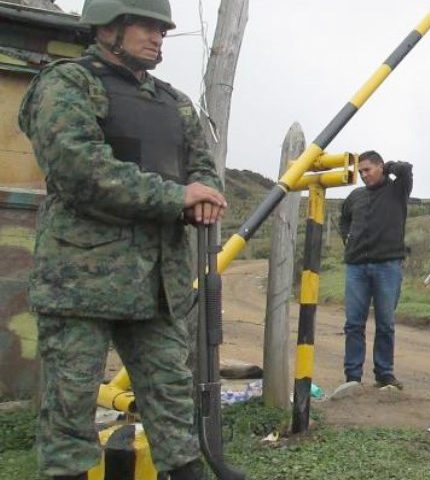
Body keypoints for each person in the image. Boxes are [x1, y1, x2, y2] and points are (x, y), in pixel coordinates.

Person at [18, 1, 227, 478]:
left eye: (163, 29)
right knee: (69, 415)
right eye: (147, 25)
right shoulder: (67, 84)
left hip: (159, 285)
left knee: (173, 407)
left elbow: (201, 169)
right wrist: (176, 196)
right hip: (82, 282)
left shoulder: (174, 103)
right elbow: (78, 168)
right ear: (110, 26)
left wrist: (202, 197)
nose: (159, 37)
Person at [338, 151, 412, 389]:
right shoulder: (355, 196)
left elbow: (406, 169)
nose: (363, 175)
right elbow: (344, 219)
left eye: (368, 169)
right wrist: (346, 238)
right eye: (360, 172)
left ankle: (384, 374)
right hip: (356, 266)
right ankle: (352, 377)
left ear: (380, 167)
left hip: (387, 265)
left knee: (385, 323)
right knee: (353, 324)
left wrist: (389, 166)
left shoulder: (397, 190)